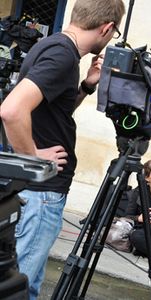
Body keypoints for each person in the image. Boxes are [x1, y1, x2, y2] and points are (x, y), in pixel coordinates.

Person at [0, 1, 125, 298]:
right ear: (106, 28)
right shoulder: (62, 56)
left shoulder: (54, 46)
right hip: (40, 195)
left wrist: (86, 86)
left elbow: (53, 111)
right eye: (114, 33)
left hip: (40, 195)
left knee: (28, 283)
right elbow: (11, 110)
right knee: (21, 287)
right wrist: (32, 158)